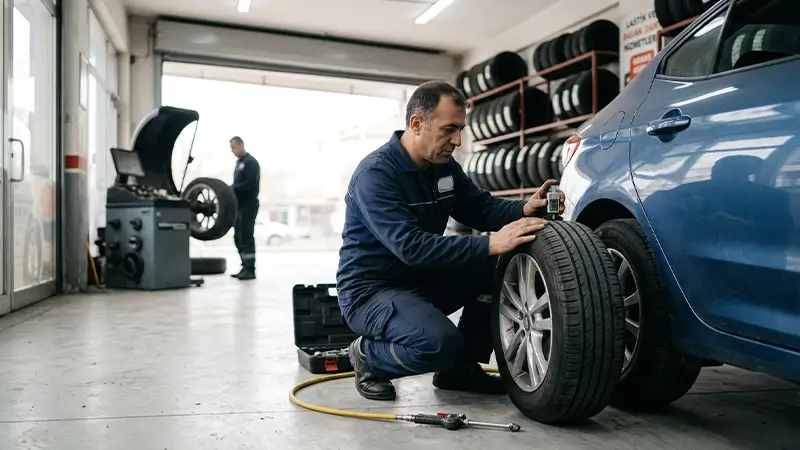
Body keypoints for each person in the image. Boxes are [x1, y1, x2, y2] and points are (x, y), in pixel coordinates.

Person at [335, 80, 565, 401]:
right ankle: (368, 357)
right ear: (417, 124)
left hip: (422, 281)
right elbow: (411, 247)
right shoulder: (376, 175)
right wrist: (490, 243)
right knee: (440, 344)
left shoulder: (442, 168)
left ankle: (459, 369)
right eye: (449, 129)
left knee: (496, 267)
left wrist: (525, 207)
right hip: (371, 292)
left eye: (460, 129)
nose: (457, 140)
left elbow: (480, 208)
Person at [229, 136, 261, 280]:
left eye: (234, 147)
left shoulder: (251, 163)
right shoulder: (239, 163)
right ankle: (244, 266)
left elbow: (250, 185)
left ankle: (250, 269)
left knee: (247, 236)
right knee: (238, 237)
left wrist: (232, 189)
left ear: (241, 145)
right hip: (239, 206)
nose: (232, 150)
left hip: (248, 205)